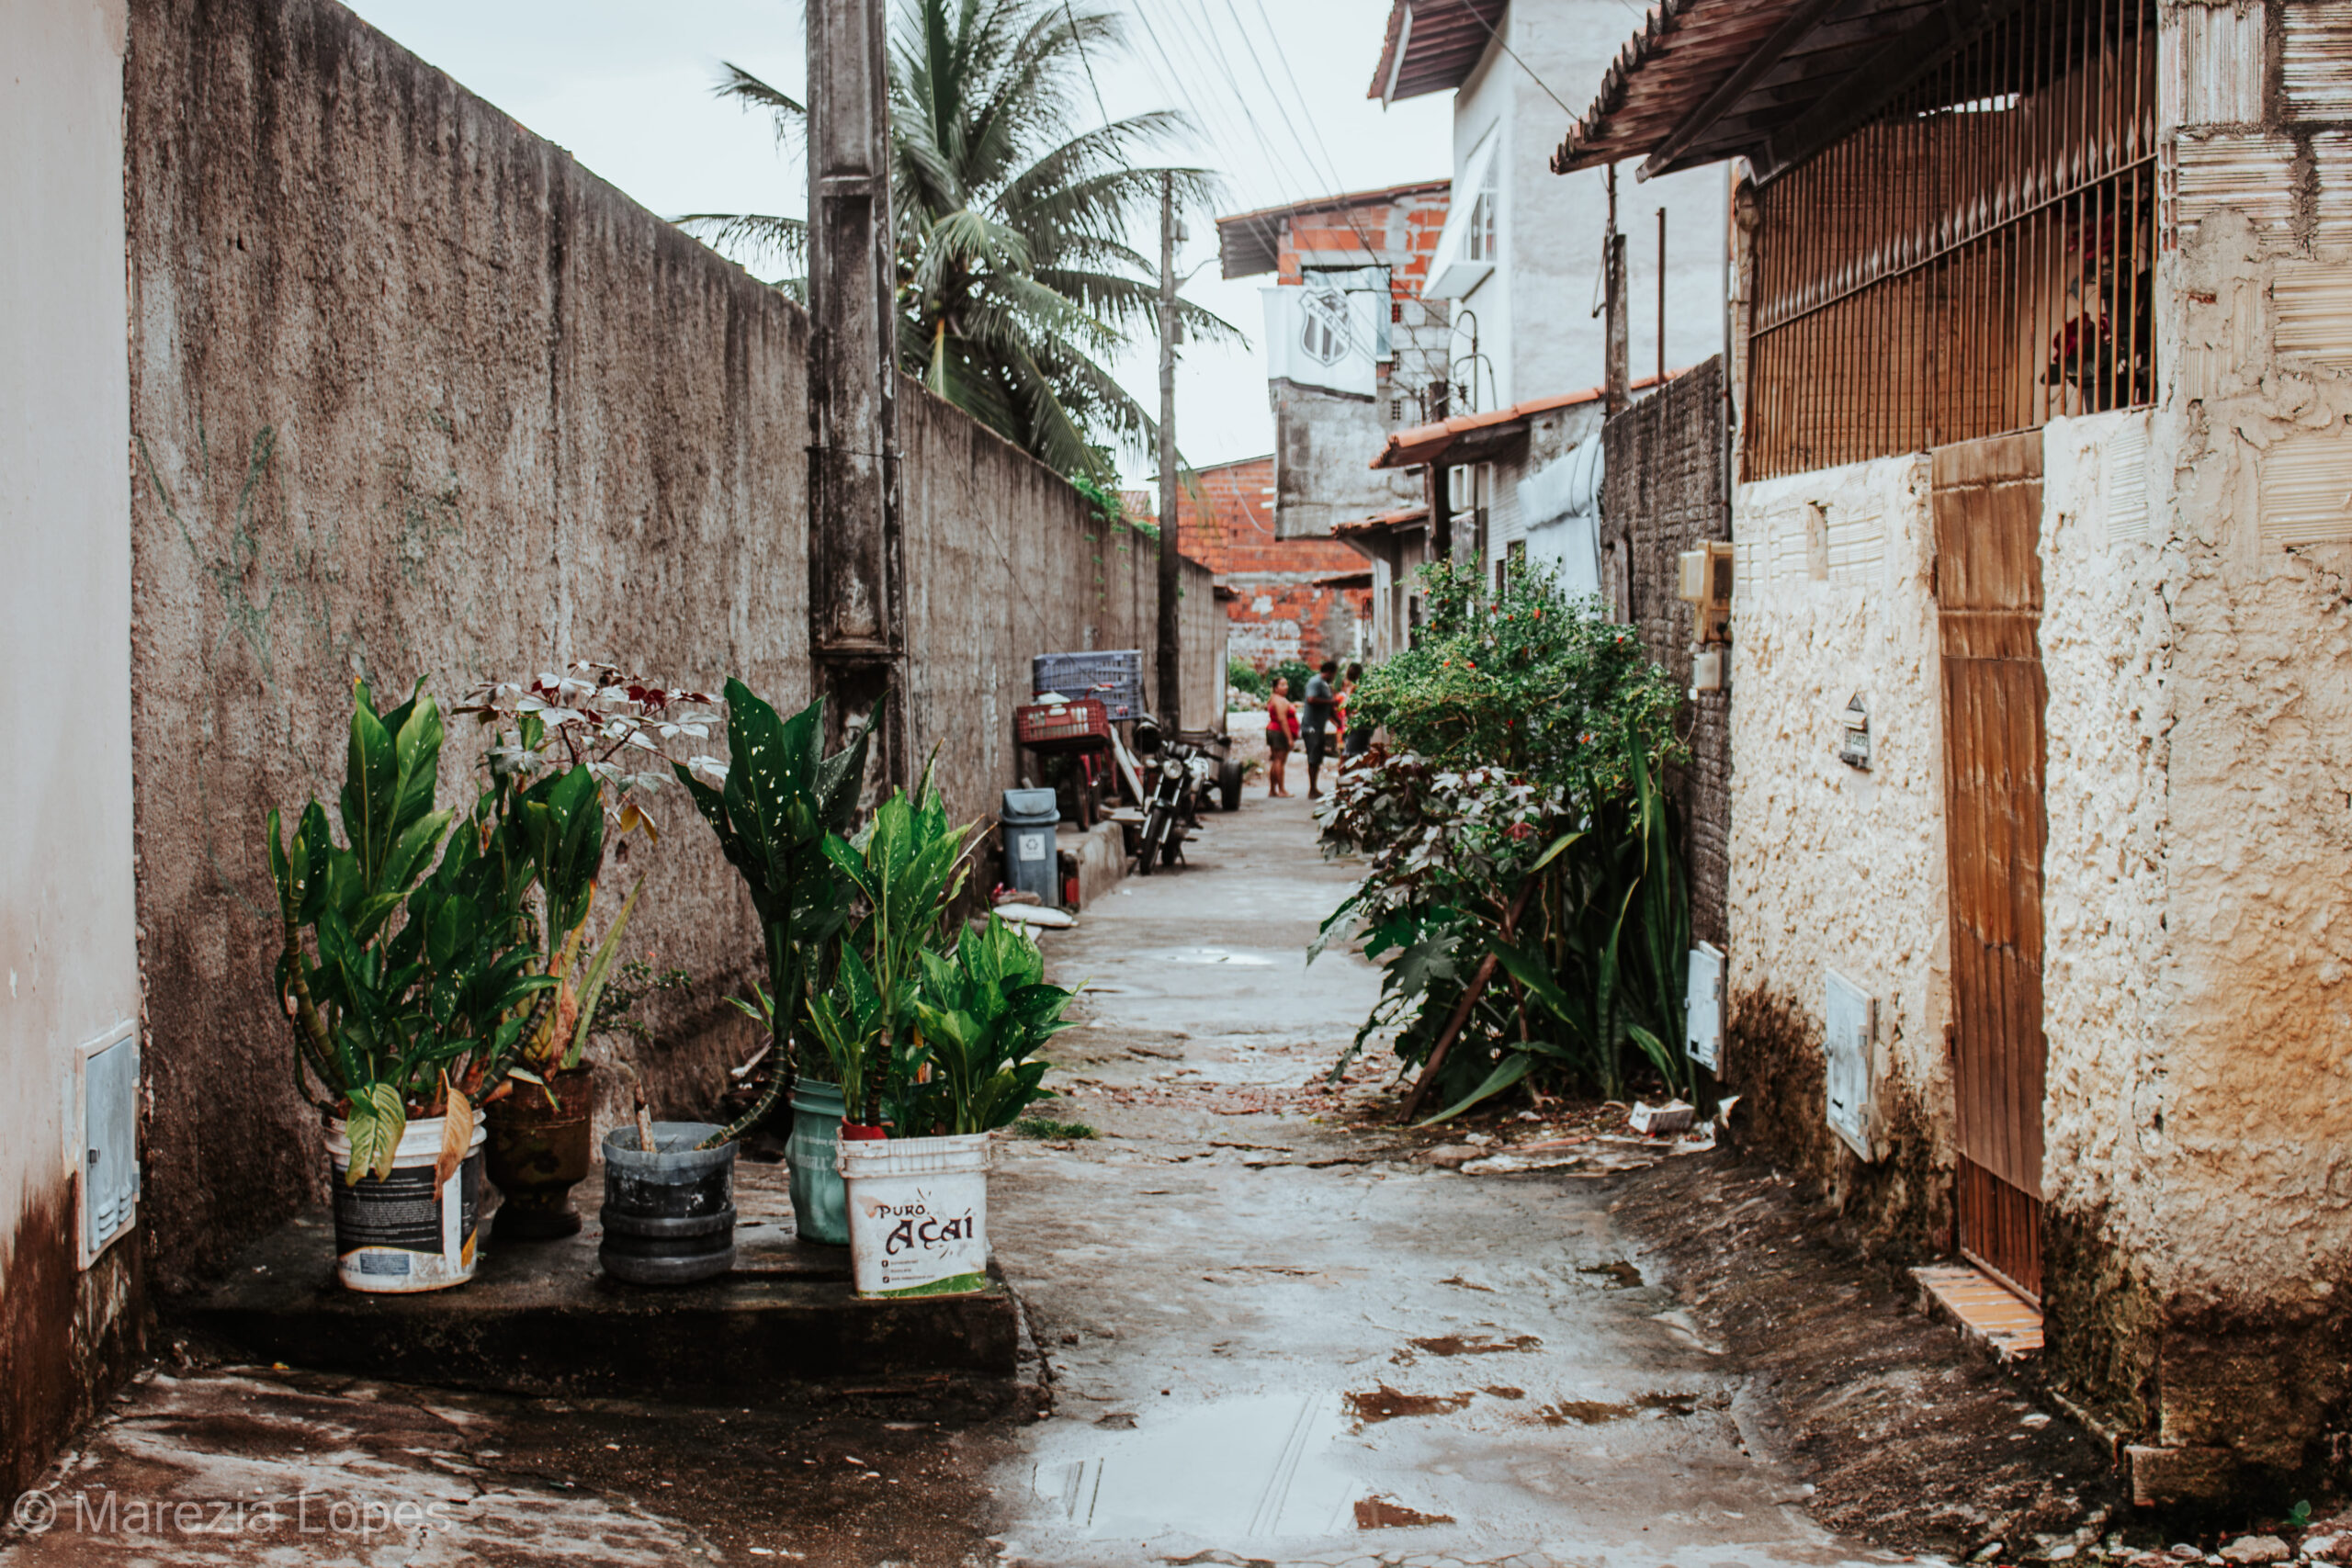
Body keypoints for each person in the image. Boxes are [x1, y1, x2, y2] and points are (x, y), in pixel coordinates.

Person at [1301, 659, 1339, 798]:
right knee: (1313, 758)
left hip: (1318, 727)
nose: (1334, 677)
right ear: (1329, 672)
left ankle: (1314, 788)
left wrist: (1338, 722)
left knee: (1317, 758)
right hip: (1311, 728)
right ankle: (1312, 790)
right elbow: (1311, 699)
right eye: (1334, 674)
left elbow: (1328, 709)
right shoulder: (1315, 682)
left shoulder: (1325, 685)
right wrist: (1331, 701)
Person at [1263, 676, 1298, 797]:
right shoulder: (1279, 700)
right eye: (1282, 685)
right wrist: (1289, 738)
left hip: (1273, 729)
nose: (1286, 687)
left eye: (1286, 684)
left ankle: (1273, 790)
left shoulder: (1275, 698)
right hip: (1279, 731)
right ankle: (1282, 790)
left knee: (1275, 760)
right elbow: (1282, 719)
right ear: (1276, 688)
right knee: (1279, 761)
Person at [1341, 661, 1372, 759]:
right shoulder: (1357, 687)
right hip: (1358, 725)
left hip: (1354, 724)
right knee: (1357, 754)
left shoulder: (1352, 687)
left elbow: (1347, 707)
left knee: (1353, 754)